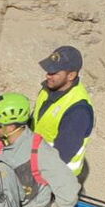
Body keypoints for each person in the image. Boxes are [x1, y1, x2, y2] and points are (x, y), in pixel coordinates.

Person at [32, 46, 95, 179]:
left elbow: (62, 155)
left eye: (54, 72)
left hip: (59, 176)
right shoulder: (48, 89)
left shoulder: (78, 111)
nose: (47, 75)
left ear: (71, 75)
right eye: (48, 70)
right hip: (38, 163)